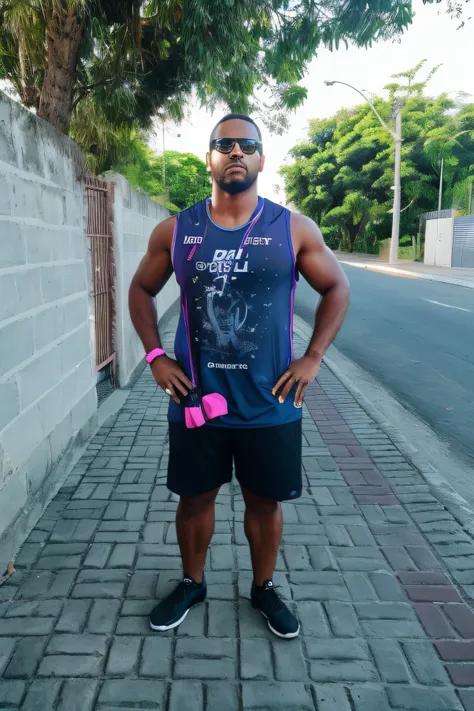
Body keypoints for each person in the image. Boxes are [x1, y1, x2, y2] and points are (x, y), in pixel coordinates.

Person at [129, 113, 350, 639]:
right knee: (195, 498)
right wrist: (155, 356)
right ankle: (192, 581)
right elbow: (140, 291)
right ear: (209, 157)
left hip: (271, 402)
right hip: (197, 401)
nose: (235, 152)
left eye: (246, 145)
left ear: (260, 159)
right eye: (223, 144)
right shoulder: (176, 230)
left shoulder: (292, 228)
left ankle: (264, 587)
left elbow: (337, 288)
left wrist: (314, 356)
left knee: (265, 502)